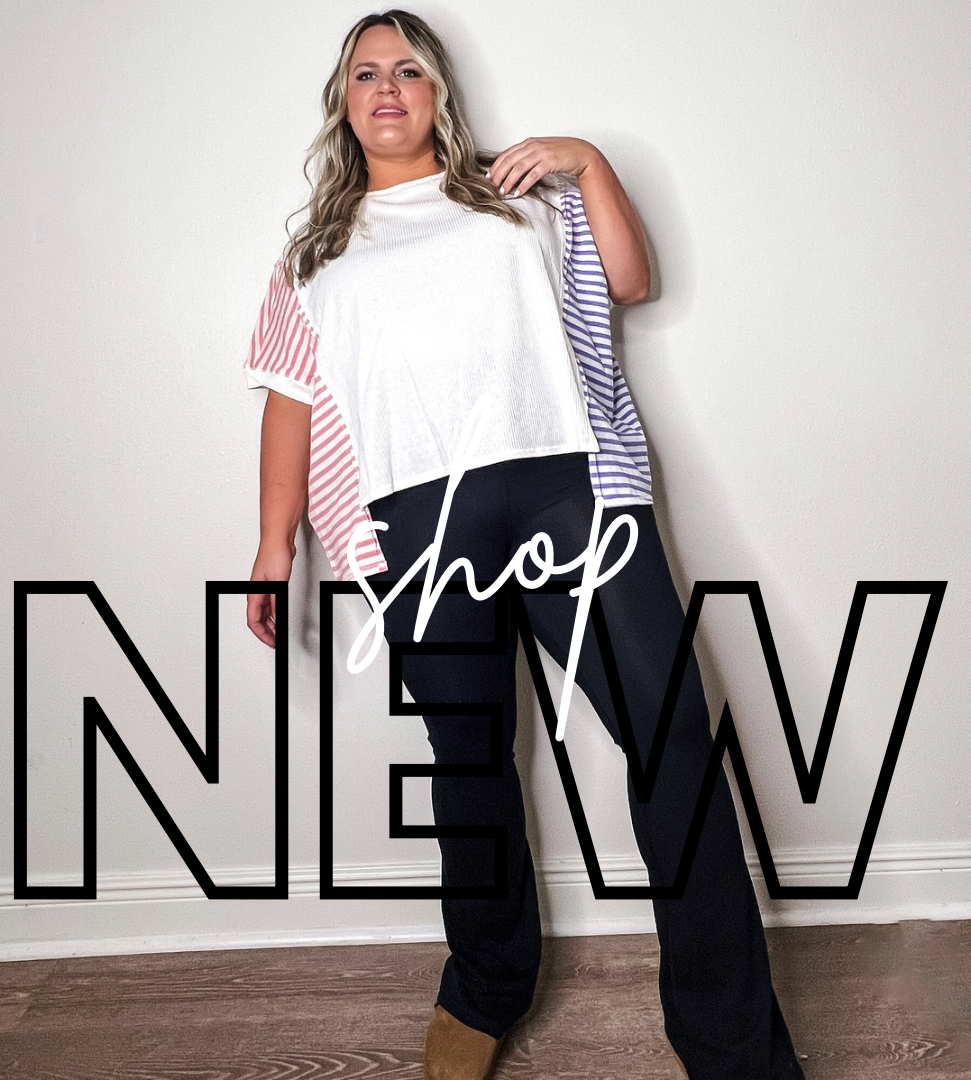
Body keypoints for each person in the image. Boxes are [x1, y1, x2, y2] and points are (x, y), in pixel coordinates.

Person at [243, 10, 805, 1079]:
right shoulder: (313, 257)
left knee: (672, 738)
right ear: (343, 104)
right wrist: (274, 545)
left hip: (567, 490)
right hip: (417, 518)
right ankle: (486, 985)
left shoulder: (518, 195)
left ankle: (733, 1045)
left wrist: (587, 159)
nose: (387, 86)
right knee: (469, 762)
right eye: (365, 73)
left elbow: (631, 281)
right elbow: (288, 399)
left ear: (438, 91)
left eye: (409, 68)